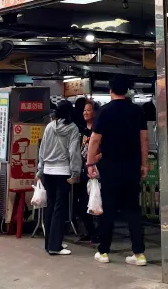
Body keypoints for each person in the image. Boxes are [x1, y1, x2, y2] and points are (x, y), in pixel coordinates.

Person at [87, 74, 148, 266]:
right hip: (132, 167)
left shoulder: (104, 112)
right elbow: (144, 140)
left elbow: (95, 140)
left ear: (110, 90)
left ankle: (103, 252)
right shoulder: (137, 111)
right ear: (127, 90)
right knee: (133, 210)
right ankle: (139, 254)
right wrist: (144, 164)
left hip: (110, 167)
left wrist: (90, 163)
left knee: (109, 209)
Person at [36, 99, 81, 256]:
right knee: (60, 209)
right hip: (63, 172)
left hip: (48, 171)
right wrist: (75, 172)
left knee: (50, 206)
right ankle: (55, 246)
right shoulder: (73, 128)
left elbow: (42, 150)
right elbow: (74, 152)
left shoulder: (49, 127)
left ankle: (50, 243)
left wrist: (40, 169)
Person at [75, 100, 101, 243]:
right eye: (84, 110)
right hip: (82, 169)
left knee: (96, 200)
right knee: (81, 202)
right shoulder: (80, 130)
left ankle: (99, 232)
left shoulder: (99, 130)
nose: (85, 112)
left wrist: (94, 159)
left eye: (88, 110)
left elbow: (104, 150)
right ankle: (90, 231)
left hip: (96, 170)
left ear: (95, 112)